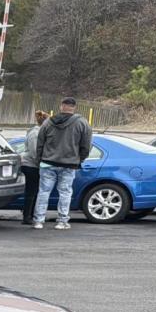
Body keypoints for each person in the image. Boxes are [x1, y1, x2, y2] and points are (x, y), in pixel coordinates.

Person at [32, 97, 93, 230]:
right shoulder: (82, 123)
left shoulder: (48, 122)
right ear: (74, 107)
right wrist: (80, 159)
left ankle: (38, 221)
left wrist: (39, 159)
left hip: (47, 163)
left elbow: (40, 143)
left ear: (61, 106)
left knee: (43, 192)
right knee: (65, 193)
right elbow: (86, 145)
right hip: (69, 164)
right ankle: (62, 221)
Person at [19, 109, 46, 224]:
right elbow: (34, 152)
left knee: (34, 191)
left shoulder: (39, 132)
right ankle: (27, 216)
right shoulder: (35, 134)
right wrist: (42, 163)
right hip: (30, 165)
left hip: (34, 165)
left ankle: (30, 215)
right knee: (31, 191)